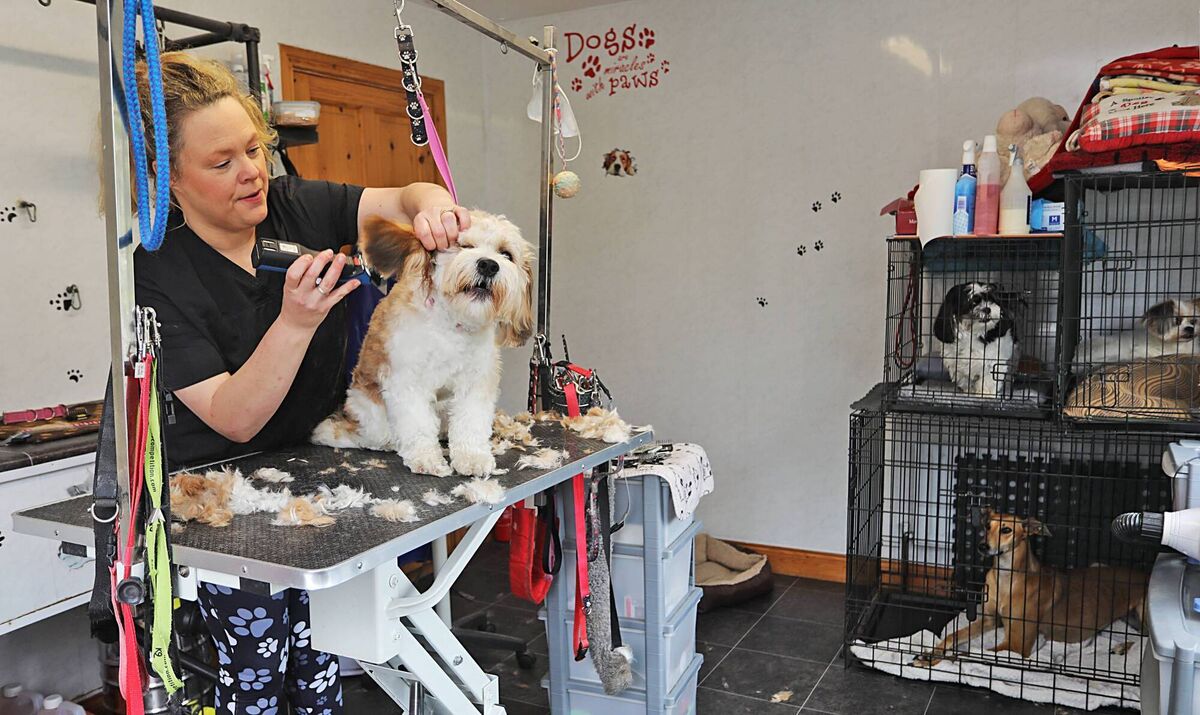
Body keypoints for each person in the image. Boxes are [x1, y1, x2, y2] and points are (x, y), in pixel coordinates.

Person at [132, 52, 466, 714]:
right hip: (219, 504)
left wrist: (433, 206)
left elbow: (403, 196)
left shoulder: (294, 206)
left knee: (321, 665)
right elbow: (234, 416)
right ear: (167, 178)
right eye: (221, 162)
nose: (251, 171)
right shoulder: (157, 272)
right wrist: (295, 322)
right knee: (255, 681)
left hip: (313, 475)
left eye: (253, 149)